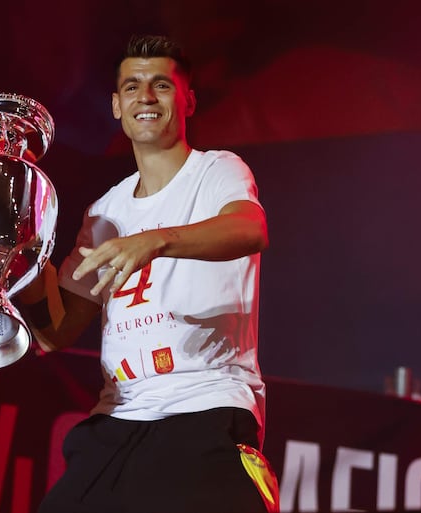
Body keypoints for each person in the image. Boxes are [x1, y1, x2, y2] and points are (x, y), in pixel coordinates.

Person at [18, 34, 277, 513]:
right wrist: (26, 267)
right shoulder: (105, 210)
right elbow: (55, 333)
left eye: (162, 85)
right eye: (133, 86)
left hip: (205, 405)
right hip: (119, 418)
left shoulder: (218, 170)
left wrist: (155, 241)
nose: (147, 96)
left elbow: (250, 228)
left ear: (188, 100)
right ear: (116, 105)